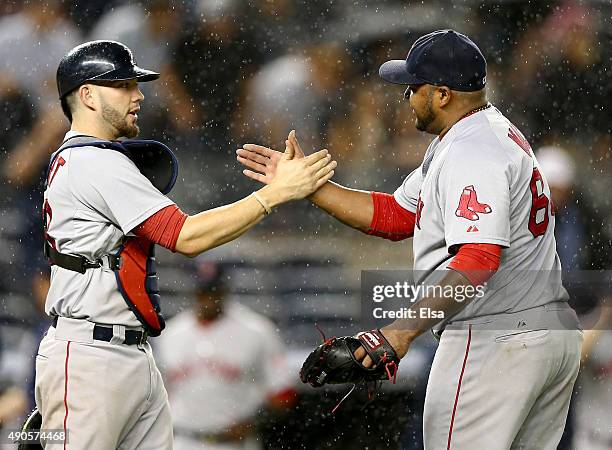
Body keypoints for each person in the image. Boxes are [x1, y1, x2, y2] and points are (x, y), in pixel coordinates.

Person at [237, 29, 583, 449]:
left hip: (496, 338)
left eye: (413, 87)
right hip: (543, 333)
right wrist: (308, 186)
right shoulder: (482, 134)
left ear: (442, 94)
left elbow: (479, 259)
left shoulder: (472, 152)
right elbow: (397, 216)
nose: (405, 98)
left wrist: (398, 334)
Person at [34, 40, 335, 449]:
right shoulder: (94, 161)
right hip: (91, 356)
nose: (138, 94)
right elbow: (185, 236)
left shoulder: (90, 159)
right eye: (123, 85)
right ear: (87, 95)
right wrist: (273, 194)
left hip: (125, 354)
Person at [156, 259, 296, 450]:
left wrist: (254, 422)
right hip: (181, 440)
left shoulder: (257, 330)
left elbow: (283, 393)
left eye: (214, 290)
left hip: (233, 444)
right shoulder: (170, 334)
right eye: (203, 291)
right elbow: (153, 396)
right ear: (193, 291)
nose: (208, 298)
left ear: (225, 290)